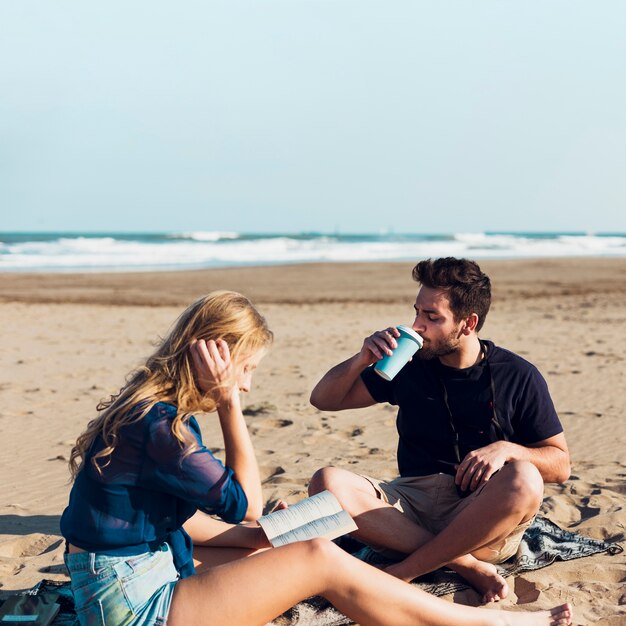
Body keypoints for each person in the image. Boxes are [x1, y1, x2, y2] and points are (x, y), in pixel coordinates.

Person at [60, 289, 573, 626]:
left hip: (127, 576)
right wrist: (228, 404)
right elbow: (244, 503)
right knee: (318, 557)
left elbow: (185, 520)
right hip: (132, 605)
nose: (247, 381)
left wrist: (257, 537)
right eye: (246, 368)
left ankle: (447, 572)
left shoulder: (148, 409)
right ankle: (501, 621)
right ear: (217, 360)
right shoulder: (163, 429)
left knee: (280, 543)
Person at [309, 258, 571, 604]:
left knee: (524, 478)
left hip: (479, 514)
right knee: (327, 482)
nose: (418, 325)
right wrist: (362, 359)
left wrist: (508, 449)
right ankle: (462, 564)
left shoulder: (518, 375)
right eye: (417, 312)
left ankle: (401, 573)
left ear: (468, 323)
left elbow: (560, 466)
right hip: (410, 506)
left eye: (432, 317)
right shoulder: (408, 364)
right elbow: (324, 399)